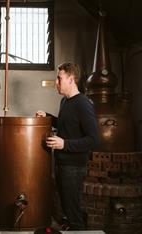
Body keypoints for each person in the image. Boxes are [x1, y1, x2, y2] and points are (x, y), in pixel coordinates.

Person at [36, 62, 99, 230]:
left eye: (59, 78)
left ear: (71, 79)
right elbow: (67, 125)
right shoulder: (65, 102)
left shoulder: (83, 104)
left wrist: (64, 144)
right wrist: (48, 117)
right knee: (66, 212)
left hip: (74, 167)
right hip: (62, 164)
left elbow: (93, 139)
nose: (56, 82)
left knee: (73, 213)